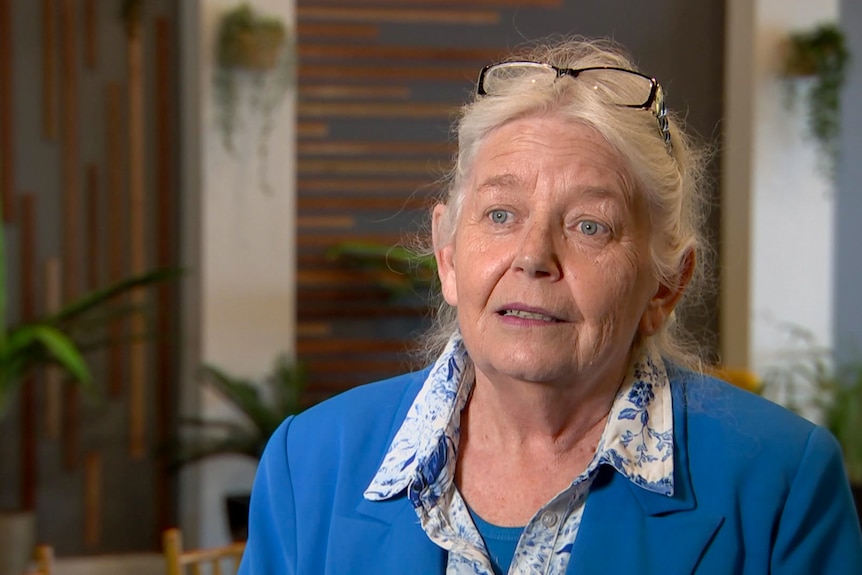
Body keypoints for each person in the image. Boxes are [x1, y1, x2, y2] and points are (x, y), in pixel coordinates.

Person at [238, 36, 862, 574]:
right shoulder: (308, 462)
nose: (533, 256)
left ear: (666, 284)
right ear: (449, 256)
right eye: (500, 214)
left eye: (590, 226)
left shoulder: (782, 482)